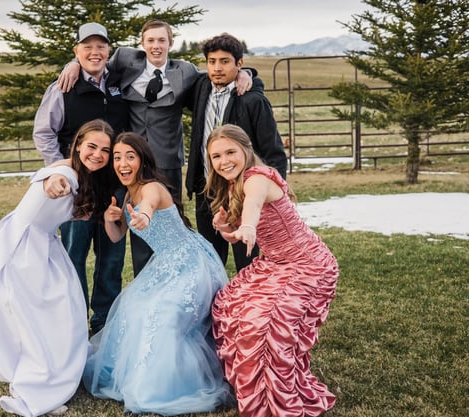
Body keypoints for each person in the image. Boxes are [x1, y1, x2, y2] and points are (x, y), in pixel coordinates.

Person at [58, 20, 254, 276]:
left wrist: (246, 73)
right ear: (142, 44)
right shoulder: (126, 60)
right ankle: (144, 280)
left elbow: (217, 74)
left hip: (168, 159)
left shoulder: (184, 71)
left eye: (162, 40)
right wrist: (72, 64)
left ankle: (174, 277)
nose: (156, 46)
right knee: (140, 225)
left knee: (170, 225)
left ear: (170, 43)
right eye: (150, 40)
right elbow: (93, 64)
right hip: (133, 161)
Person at [0, 120, 119, 417]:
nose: (98, 154)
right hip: (20, 251)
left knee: (66, 311)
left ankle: (60, 369)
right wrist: (53, 182)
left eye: (105, 150)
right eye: (91, 146)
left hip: (42, 245)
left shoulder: (83, 174)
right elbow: (52, 180)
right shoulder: (63, 173)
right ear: (78, 144)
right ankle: (36, 388)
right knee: (38, 318)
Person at [83, 132, 234, 415]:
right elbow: (116, 237)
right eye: (117, 157)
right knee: (133, 309)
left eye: (130, 156)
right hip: (164, 264)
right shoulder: (128, 194)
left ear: (142, 160)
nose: (122, 163)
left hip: (191, 263)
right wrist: (109, 221)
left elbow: (149, 208)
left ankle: (160, 387)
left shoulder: (151, 188)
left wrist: (144, 216)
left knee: (161, 315)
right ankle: (133, 374)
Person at [205, 124, 338, 417]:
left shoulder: (257, 178)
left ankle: (278, 402)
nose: (224, 161)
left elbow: (252, 207)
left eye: (230, 152)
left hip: (309, 265)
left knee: (264, 324)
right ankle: (249, 389)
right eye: (216, 156)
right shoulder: (233, 184)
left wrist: (248, 226)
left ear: (245, 150)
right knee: (229, 303)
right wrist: (227, 227)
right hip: (276, 263)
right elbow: (235, 235)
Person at [33, 22, 130, 334]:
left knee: (112, 258)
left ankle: (104, 323)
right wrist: (62, 167)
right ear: (76, 51)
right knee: (74, 255)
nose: (94, 52)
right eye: (86, 47)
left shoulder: (120, 84)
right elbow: (44, 132)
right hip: (77, 189)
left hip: (114, 184)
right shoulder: (63, 87)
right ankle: (74, 322)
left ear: (108, 51)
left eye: (100, 46)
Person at [186, 33, 288, 273]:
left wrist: (276, 195)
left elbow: (273, 152)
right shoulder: (201, 88)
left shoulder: (253, 100)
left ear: (238, 64)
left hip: (242, 192)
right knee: (212, 261)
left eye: (224, 61)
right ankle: (214, 309)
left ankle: (252, 308)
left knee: (247, 260)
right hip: (207, 190)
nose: (217, 68)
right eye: (212, 61)